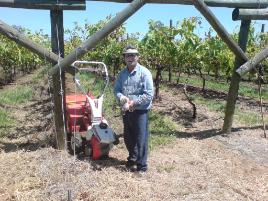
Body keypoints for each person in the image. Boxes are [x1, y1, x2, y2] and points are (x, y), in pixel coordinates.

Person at [114, 45, 154, 173]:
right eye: (127, 55)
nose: (130, 57)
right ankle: (133, 158)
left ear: (138, 57)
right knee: (128, 137)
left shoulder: (144, 73)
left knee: (140, 138)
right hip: (126, 110)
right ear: (124, 58)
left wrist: (132, 103)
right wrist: (121, 98)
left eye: (133, 55)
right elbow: (117, 90)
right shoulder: (122, 74)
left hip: (140, 111)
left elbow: (148, 94)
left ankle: (142, 166)